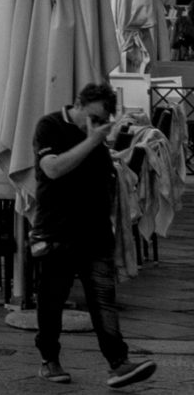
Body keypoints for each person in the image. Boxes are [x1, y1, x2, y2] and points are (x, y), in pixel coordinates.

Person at [32, 84, 158, 387]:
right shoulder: (49, 126)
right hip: (57, 231)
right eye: (93, 117)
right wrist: (92, 141)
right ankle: (49, 360)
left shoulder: (97, 139)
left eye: (102, 120)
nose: (97, 125)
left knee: (104, 300)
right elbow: (52, 169)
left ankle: (118, 363)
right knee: (52, 300)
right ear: (78, 104)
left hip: (95, 233)